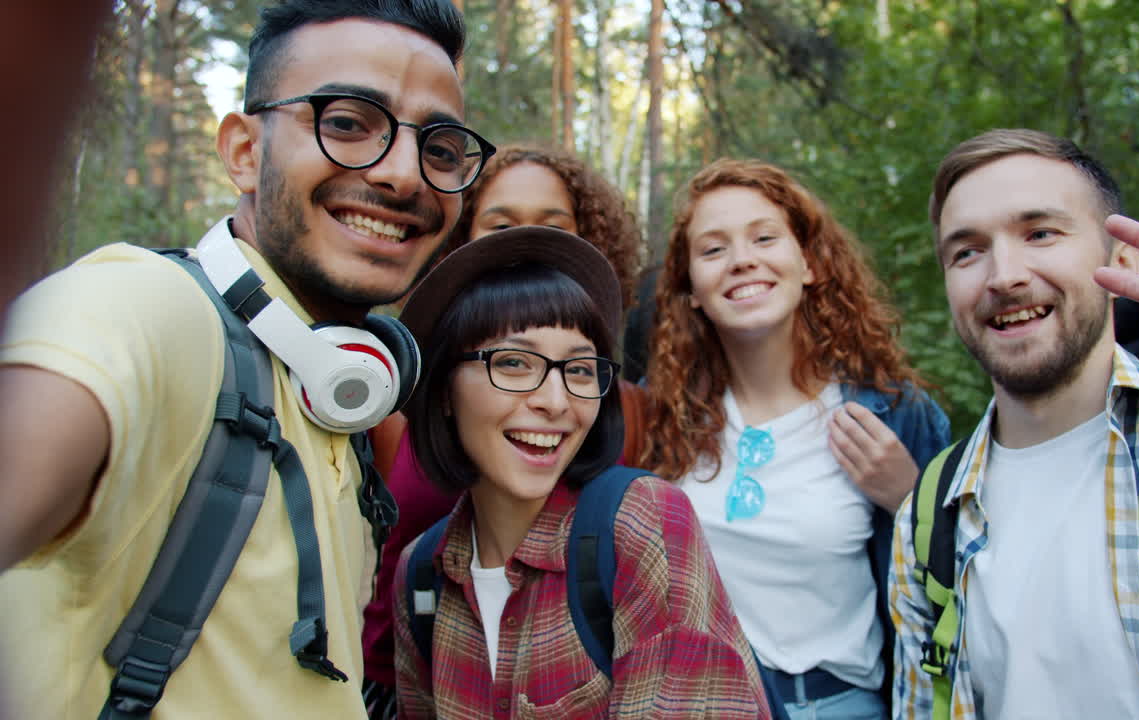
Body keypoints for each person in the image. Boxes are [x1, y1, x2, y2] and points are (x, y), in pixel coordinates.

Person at [0, 1, 493, 716]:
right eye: (348, 122)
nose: (404, 175)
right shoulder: (147, 308)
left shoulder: (337, 388)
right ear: (240, 150)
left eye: (441, 149)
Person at [890, 128, 1139, 719]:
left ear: (1123, 257)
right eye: (966, 251)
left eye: (1040, 233)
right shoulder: (926, 520)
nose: (1003, 276)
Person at [390, 225, 772, 718]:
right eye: (512, 363)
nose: (555, 402)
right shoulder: (421, 575)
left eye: (579, 370)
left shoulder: (640, 522)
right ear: (443, 389)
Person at [640, 158, 950, 720]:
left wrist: (910, 500)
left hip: (844, 705)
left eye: (764, 238)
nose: (742, 261)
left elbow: (966, 582)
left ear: (808, 264)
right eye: (713, 250)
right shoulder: (659, 417)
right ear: (691, 292)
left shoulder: (891, 415)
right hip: (702, 704)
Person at [360, 142, 645, 715]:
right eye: (499, 225)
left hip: (568, 681)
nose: (524, 244)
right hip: (406, 676)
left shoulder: (614, 409)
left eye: (553, 226)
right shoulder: (396, 407)